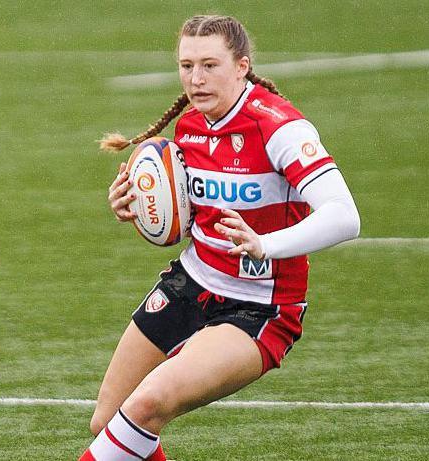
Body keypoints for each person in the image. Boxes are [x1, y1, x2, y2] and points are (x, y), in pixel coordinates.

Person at [79, 15, 360, 460]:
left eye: (210, 65)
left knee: (147, 405)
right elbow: (189, 215)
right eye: (186, 66)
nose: (196, 78)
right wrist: (135, 207)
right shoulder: (190, 126)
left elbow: (345, 217)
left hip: (259, 307)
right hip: (191, 283)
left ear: (242, 66)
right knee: (107, 419)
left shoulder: (279, 128)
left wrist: (266, 244)